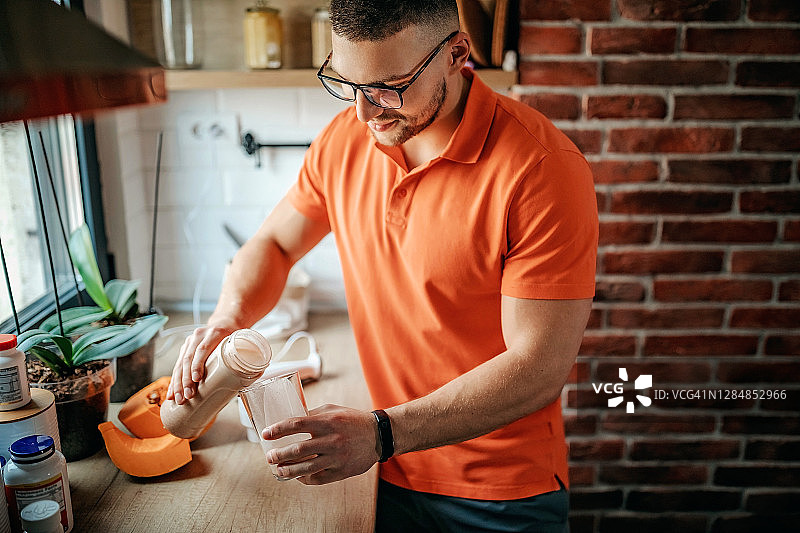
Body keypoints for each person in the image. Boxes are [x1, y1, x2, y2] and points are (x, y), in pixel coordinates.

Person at [166, 0, 598, 530]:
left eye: (389, 86)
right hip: (382, 470)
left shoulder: (543, 171)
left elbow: (538, 369)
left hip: (499, 492)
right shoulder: (344, 140)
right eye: (346, 83)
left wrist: (380, 432)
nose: (364, 113)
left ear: (456, 54)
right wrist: (228, 320)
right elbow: (275, 244)